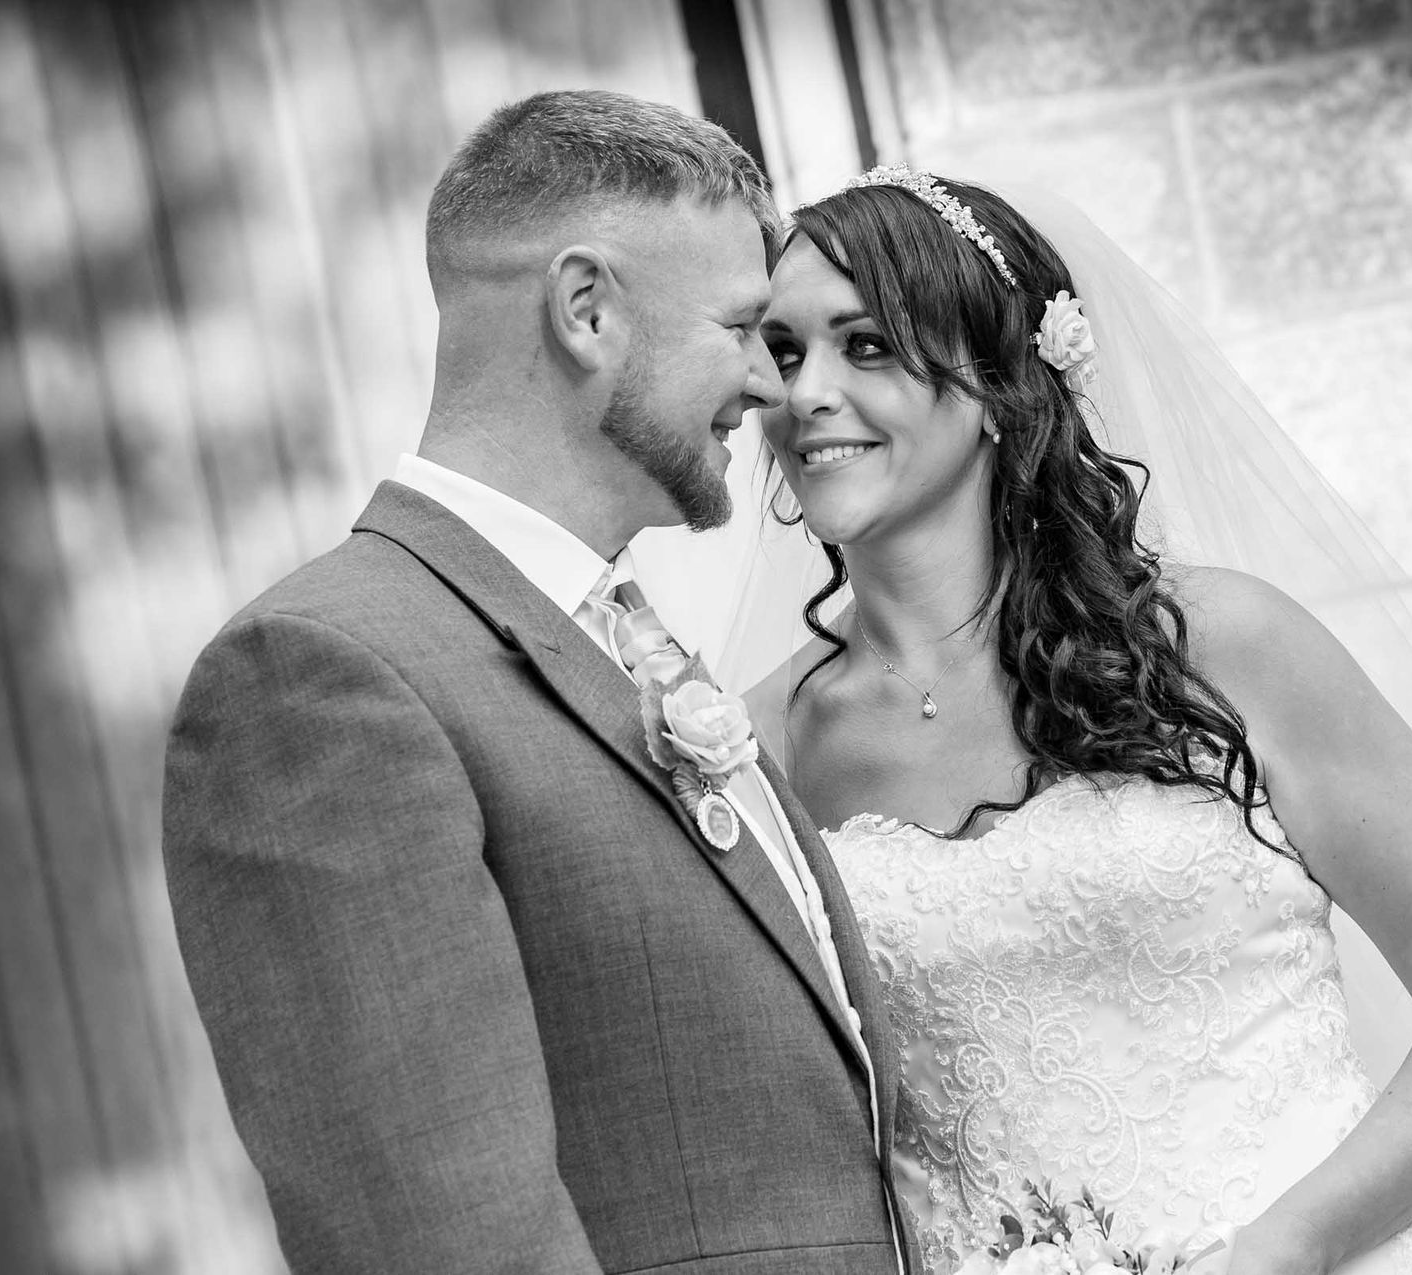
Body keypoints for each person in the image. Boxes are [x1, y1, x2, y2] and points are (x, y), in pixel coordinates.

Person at [742, 167, 1412, 1275]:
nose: (805, 393)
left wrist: (1286, 1246)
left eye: (865, 346)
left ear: (1000, 382)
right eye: (782, 351)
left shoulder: (1219, 646)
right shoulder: (762, 745)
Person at [162, 92, 914, 1274]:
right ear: (586, 310)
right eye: (739, 329)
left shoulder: (621, 632)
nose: (771, 391)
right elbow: (435, 1237)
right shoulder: (323, 678)